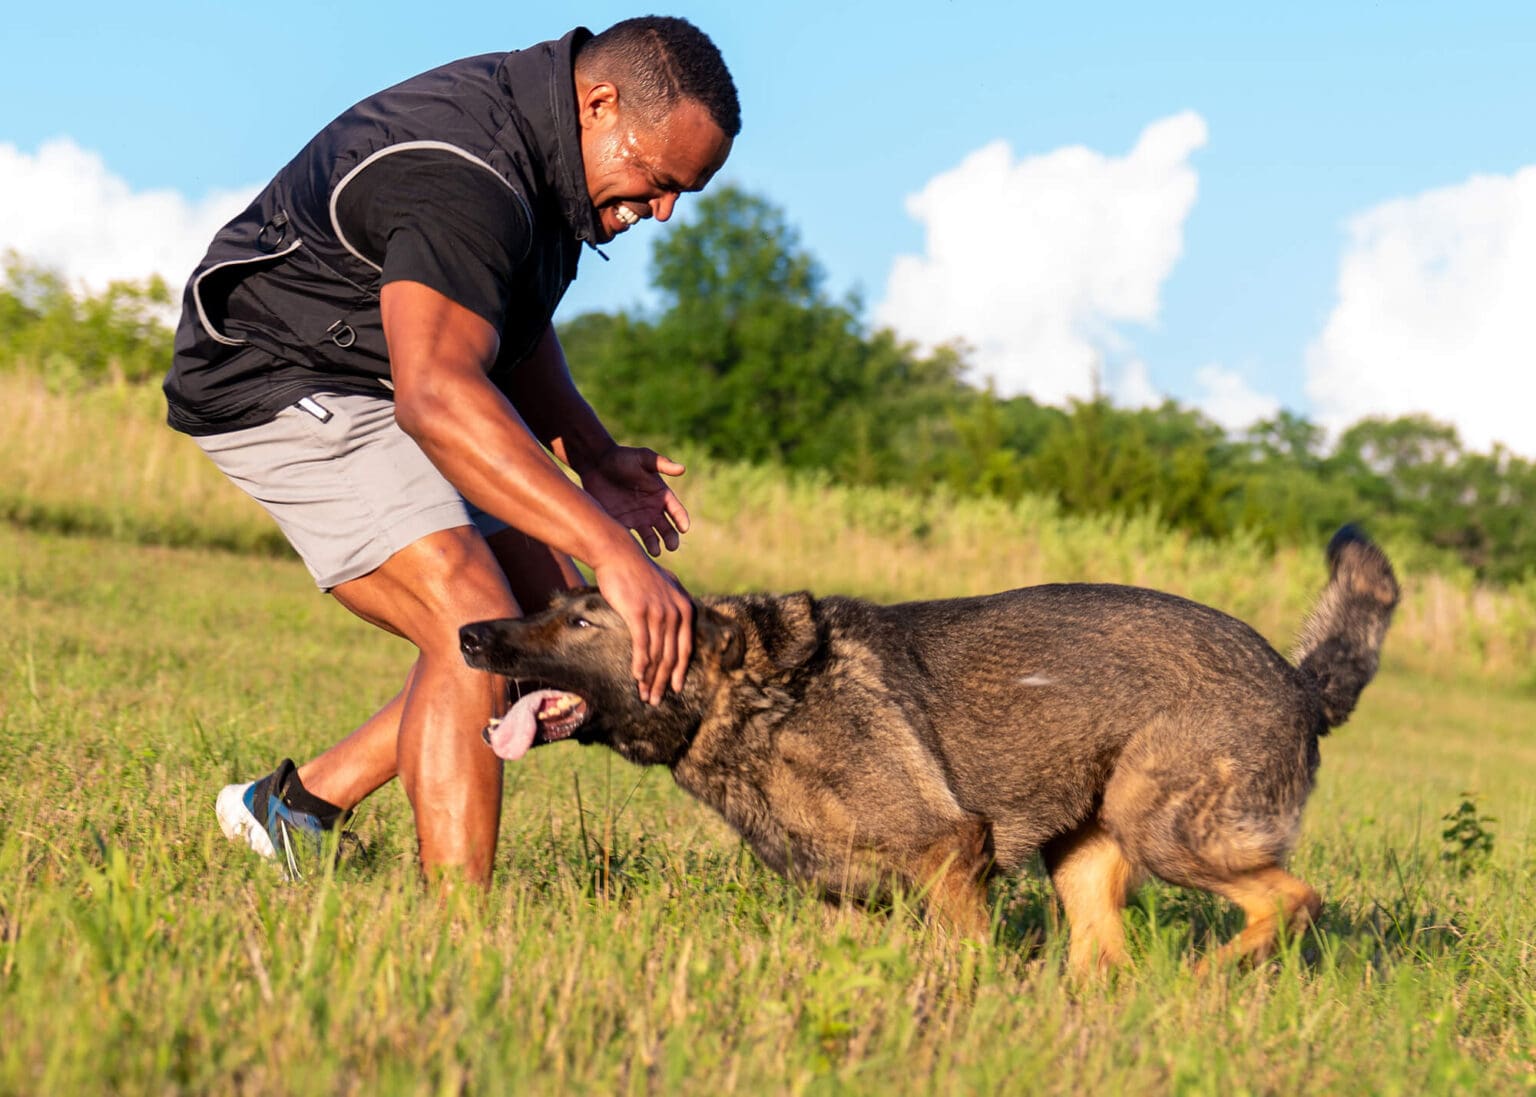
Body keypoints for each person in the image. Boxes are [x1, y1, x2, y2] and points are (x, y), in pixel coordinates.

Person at [162, 17, 740, 885]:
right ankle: (455, 939)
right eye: (659, 180)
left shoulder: (552, 161)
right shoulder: (466, 172)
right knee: (471, 617)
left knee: (553, 635)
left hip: (386, 373)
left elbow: (501, 318)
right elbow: (436, 395)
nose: (662, 210)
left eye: (681, 193)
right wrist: (612, 550)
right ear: (600, 104)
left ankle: (294, 809)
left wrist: (591, 450)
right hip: (278, 369)